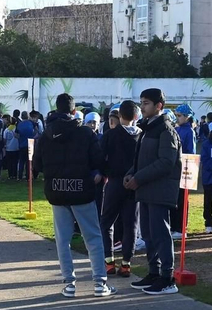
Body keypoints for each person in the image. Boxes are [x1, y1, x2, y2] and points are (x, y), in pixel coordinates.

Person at [31, 94, 114, 298]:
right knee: (93, 237)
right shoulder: (85, 133)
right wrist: (97, 173)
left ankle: (69, 283)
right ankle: (99, 282)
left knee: (62, 240)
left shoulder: (46, 135)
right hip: (82, 191)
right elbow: (98, 159)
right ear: (74, 111)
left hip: (56, 191)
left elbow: (37, 165)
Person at [125, 88, 181, 295]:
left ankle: (167, 278)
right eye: (141, 102)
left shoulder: (166, 130)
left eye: (146, 103)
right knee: (148, 234)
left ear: (159, 106)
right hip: (147, 189)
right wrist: (131, 174)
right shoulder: (148, 128)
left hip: (160, 190)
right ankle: (154, 272)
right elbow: (141, 158)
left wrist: (138, 178)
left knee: (160, 233)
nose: (142, 106)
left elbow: (167, 162)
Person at [101, 99, 141, 277]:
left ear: (118, 115)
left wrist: (106, 172)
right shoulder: (142, 136)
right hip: (134, 183)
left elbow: (101, 158)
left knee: (107, 222)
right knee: (130, 224)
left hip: (115, 182)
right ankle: (126, 264)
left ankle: (109, 261)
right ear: (136, 116)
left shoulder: (110, 134)